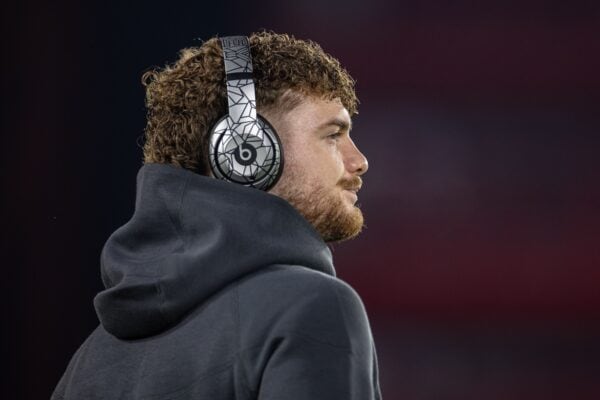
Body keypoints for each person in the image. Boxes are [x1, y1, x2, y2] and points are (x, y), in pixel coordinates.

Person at [52, 31, 382, 400]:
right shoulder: (313, 308)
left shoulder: (88, 361)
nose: (360, 161)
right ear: (246, 155)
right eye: (333, 134)